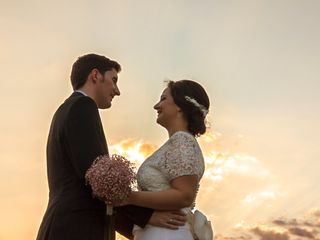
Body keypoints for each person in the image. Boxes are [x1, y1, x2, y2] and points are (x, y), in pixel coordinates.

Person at [36, 54, 186, 240]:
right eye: (113, 80)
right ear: (96, 75)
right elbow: (96, 178)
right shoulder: (82, 106)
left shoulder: (68, 109)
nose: (117, 91)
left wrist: (136, 227)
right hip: (75, 228)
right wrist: (146, 217)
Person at [126, 80, 210, 240]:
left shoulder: (182, 141)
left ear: (180, 106)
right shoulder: (177, 143)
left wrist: (128, 197)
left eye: (163, 99)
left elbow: (184, 195)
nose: (156, 106)